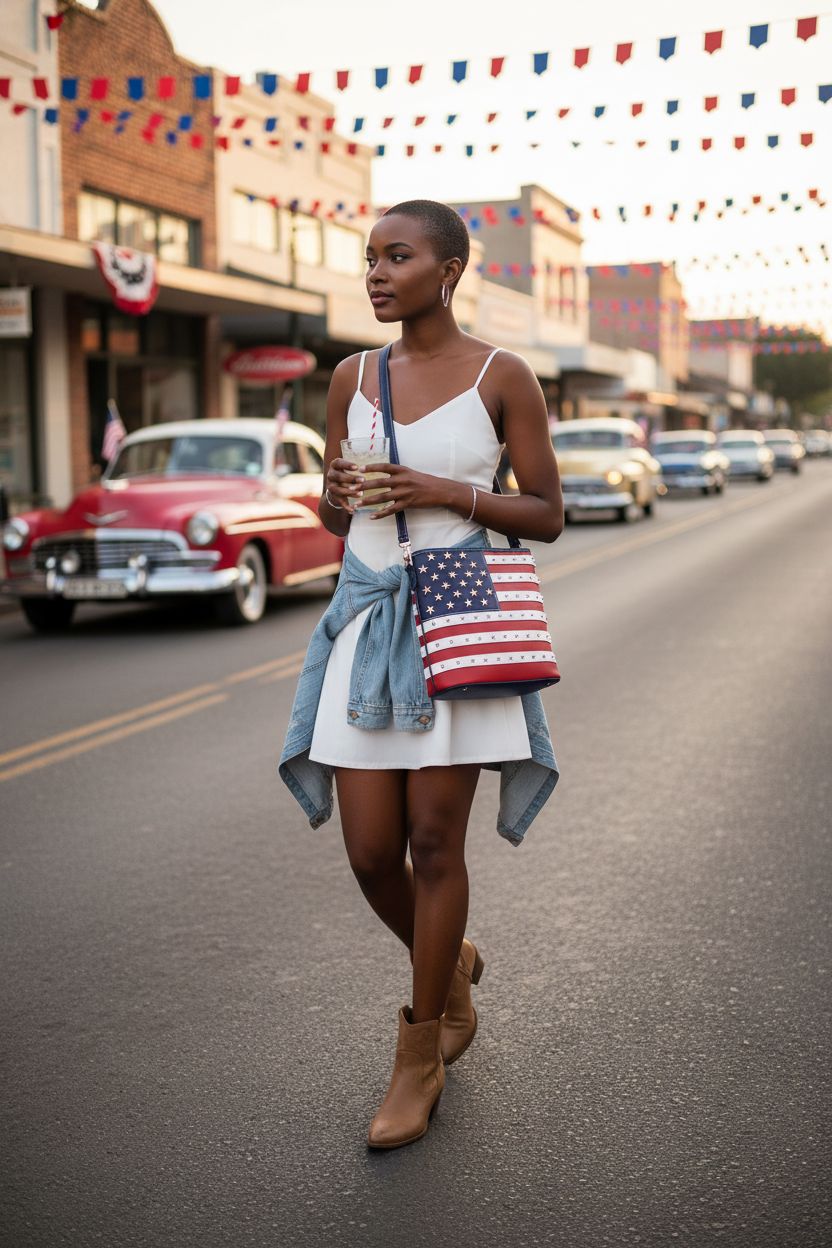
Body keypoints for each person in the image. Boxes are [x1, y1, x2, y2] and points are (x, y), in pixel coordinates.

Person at [280, 199, 563, 1150]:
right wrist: (331, 497)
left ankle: (420, 1055)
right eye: (369, 258)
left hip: (458, 621)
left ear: (449, 269)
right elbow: (338, 513)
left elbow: (549, 513)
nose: (375, 272)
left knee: (436, 844)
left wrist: (444, 491)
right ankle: (450, 969)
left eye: (396, 256)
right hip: (368, 624)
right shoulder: (350, 376)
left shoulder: (503, 374)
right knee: (369, 852)